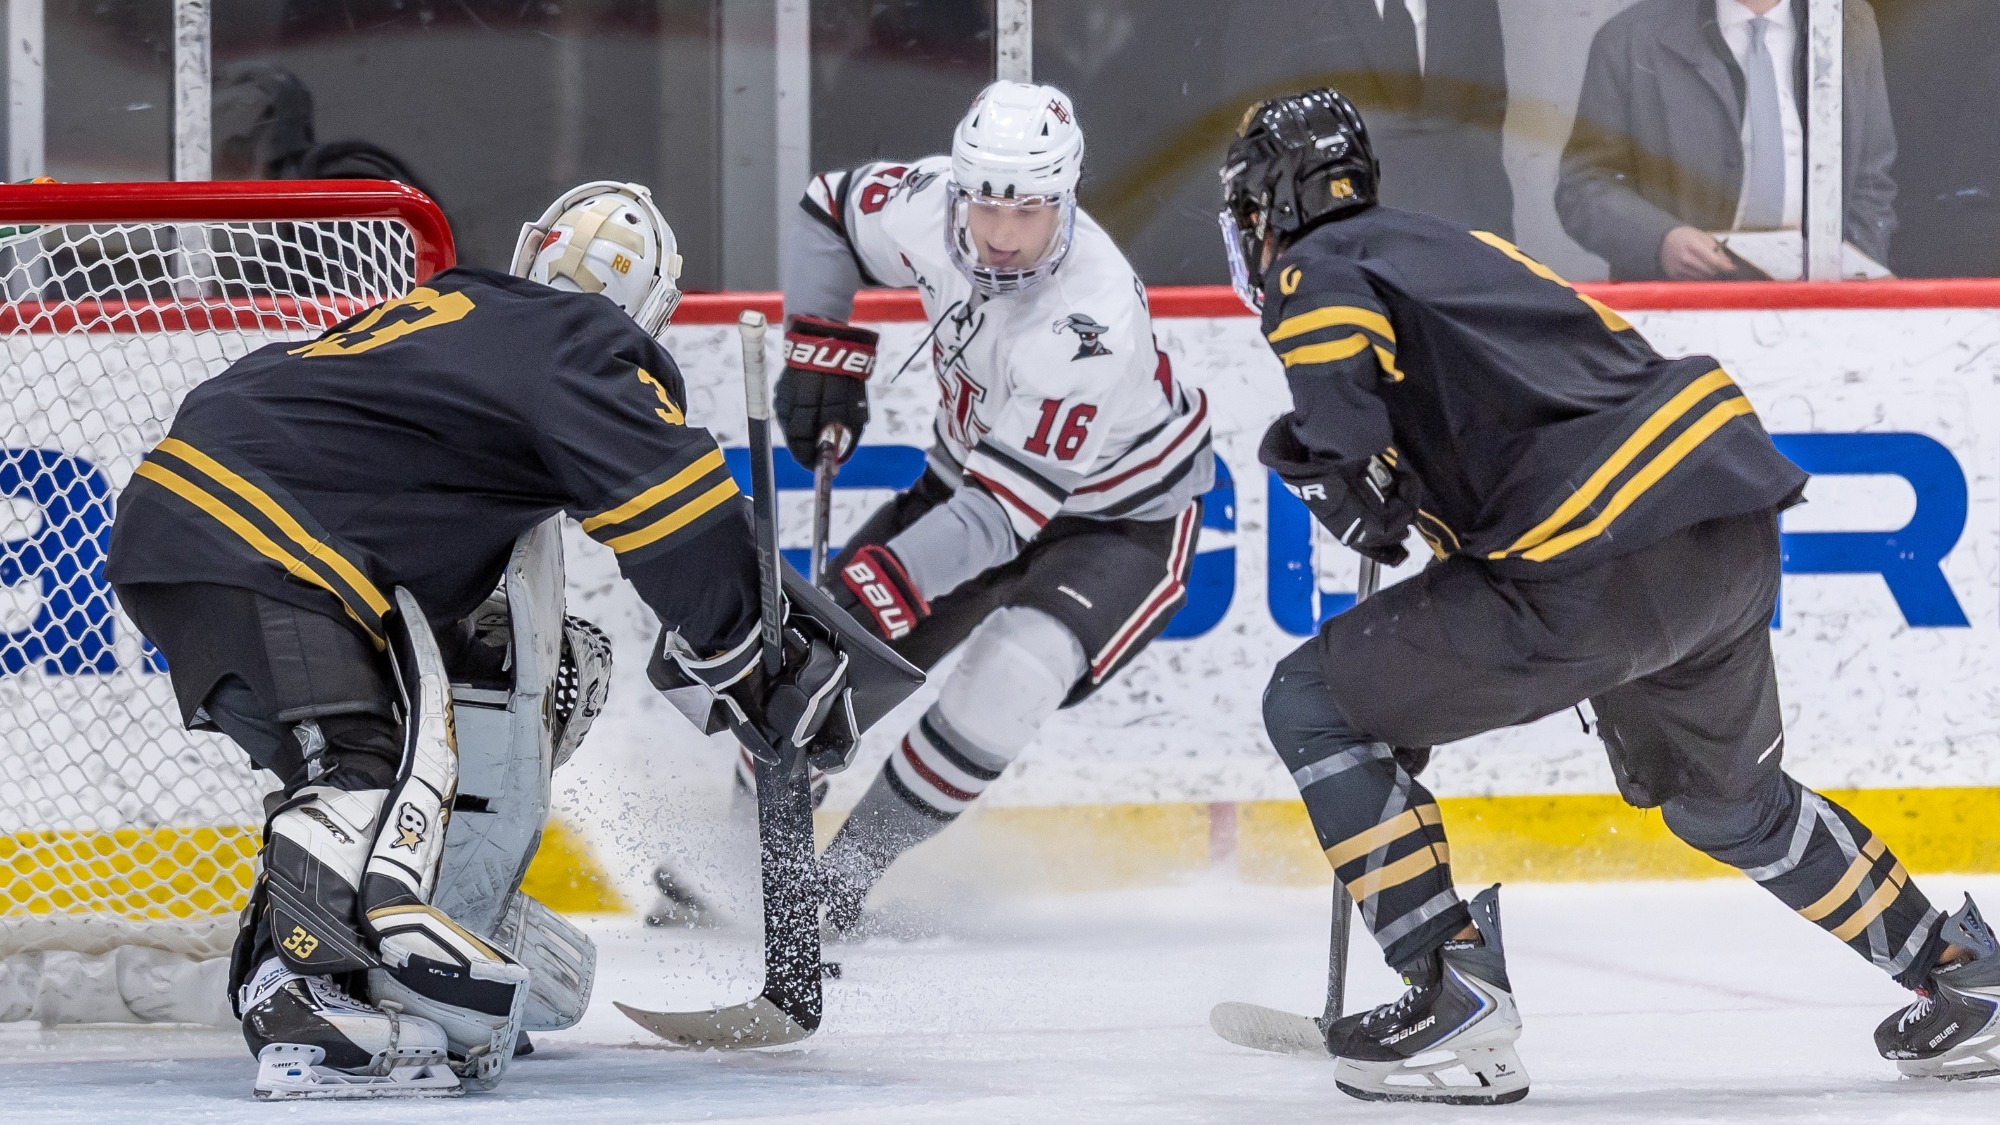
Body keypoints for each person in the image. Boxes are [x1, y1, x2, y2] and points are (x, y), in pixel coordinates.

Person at [1219, 87, 1998, 1103]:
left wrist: (1331, 459)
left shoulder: (1314, 268)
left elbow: (1338, 386)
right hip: (1719, 523)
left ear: (1264, 208)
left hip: (1592, 561)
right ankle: (1959, 978)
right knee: (1731, 807)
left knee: (1314, 701)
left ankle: (1451, 996)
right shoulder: (1459, 248)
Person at [106, 182, 852, 1097]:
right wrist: (757, 655)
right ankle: (298, 994)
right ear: (646, 318)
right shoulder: (577, 342)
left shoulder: (456, 311)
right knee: (353, 761)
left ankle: (308, 969)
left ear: (533, 250)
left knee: (356, 754)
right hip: (257, 533)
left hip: (200, 508)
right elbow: (676, 507)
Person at [775, 79, 1213, 934]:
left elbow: (1000, 522)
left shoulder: (1089, 321)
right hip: (971, 479)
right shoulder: (926, 205)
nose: (1005, 238)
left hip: (1121, 520)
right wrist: (821, 351)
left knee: (1010, 673)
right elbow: (825, 209)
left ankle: (839, 885)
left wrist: (881, 580)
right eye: (987, 210)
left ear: (1067, 200)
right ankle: (750, 857)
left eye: (1031, 214)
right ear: (962, 192)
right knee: (810, 657)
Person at [1557, 0, 1897, 281]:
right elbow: (1584, 187)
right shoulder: (1629, 38)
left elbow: (1871, 179)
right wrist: (1660, 240)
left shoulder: (1847, 24)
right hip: (1683, 306)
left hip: (1820, 295)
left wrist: (1856, 279)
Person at [1221, 0, 1513, 238]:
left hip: (1456, 253)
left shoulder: (1474, 8)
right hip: (1338, 258)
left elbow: (1486, 129)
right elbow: (1262, 143)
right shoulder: (1283, 11)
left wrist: (1498, 255)